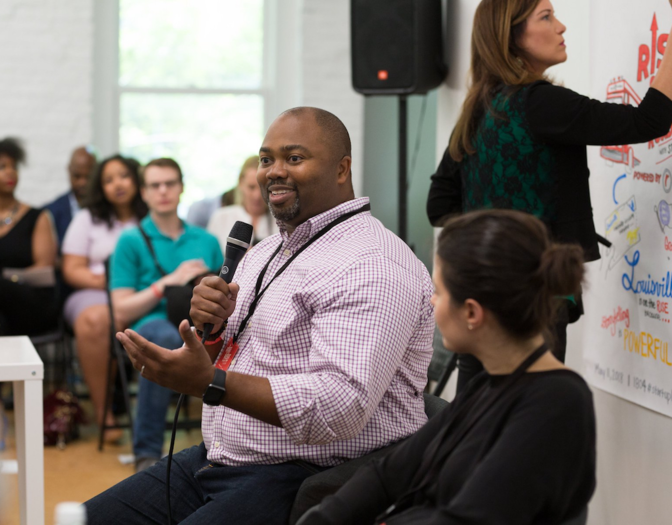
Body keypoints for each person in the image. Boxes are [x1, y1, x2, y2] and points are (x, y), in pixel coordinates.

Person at [84, 107, 435, 525]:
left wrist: (210, 384)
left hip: (302, 475)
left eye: (294, 158)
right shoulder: (267, 251)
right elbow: (233, 357)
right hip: (217, 459)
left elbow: (339, 407)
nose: (273, 171)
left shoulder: (372, 264)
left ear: (342, 169)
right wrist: (211, 332)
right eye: (266, 159)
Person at [427, 0, 672, 390]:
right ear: (512, 37)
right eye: (546, 17)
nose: (561, 27)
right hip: (535, 298)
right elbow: (649, 121)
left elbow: (439, 204)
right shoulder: (541, 104)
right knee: (529, 420)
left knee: (475, 424)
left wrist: (493, 238)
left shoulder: (479, 108)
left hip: (478, 296)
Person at [300, 209, 596, 525]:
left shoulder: (557, 402)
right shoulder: (490, 384)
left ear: (472, 313)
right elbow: (390, 474)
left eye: (439, 291)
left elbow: (468, 518)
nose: (431, 302)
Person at [109, 157, 222, 471]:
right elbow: (120, 308)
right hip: (153, 324)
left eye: (170, 183)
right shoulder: (130, 240)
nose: (163, 191)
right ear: (143, 193)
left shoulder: (206, 240)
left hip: (200, 324)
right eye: (155, 185)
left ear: (181, 188)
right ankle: (147, 452)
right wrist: (167, 283)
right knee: (164, 337)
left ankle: (226, 449)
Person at [61, 154, 147, 439]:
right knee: (97, 320)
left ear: (136, 179)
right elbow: (72, 268)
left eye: (123, 175)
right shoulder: (87, 219)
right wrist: (109, 283)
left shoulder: (150, 217)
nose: (117, 184)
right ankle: (103, 412)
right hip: (94, 293)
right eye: (108, 180)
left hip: (143, 292)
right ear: (100, 187)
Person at [0, 137, 58, 336]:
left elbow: (44, 270)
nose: (10, 171)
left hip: (32, 303)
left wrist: (4, 278)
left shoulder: (38, 217)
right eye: (1, 167)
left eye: (14, 166)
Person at [206, 155, 275, 252]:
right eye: (251, 187)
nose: (257, 196)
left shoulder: (281, 222)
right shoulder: (221, 217)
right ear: (240, 183)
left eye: (263, 188)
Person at [45, 146, 97, 248]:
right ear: (69, 170)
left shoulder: (109, 208)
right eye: (77, 176)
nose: (82, 182)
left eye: (88, 177)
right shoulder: (50, 212)